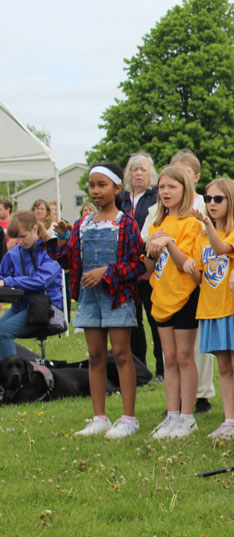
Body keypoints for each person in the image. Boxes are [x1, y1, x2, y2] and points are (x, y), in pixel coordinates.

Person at [46, 164, 144, 439]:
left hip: (118, 298)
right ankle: (99, 417)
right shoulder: (81, 225)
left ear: (117, 188)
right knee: (95, 356)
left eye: (102, 185)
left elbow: (137, 264)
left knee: (122, 355)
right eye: (91, 185)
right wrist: (62, 238)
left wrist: (107, 272)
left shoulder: (126, 223)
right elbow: (68, 261)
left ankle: (129, 418)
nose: (95, 190)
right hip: (89, 299)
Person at [184, 178, 234, 439]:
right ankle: (229, 419)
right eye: (208, 198)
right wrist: (190, 268)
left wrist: (207, 224)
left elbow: (221, 248)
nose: (211, 204)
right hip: (210, 309)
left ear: (231, 201)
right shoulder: (201, 237)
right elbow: (200, 278)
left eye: (218, 199)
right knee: (223, 366)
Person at [145, 166, 203, 439]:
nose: (166, 192)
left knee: (183, 356)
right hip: (161, 296)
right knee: (168, 357)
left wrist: (169, 244)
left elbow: (185, 265)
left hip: (185, 296)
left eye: (172, 187)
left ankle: (188, 417)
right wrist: (151, 250)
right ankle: (172, 415)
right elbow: (149, 266)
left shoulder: (191, 223)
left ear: (185, 189)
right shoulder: (156, 224)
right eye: (162, 187)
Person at [169, 149, 217, 413]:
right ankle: (177, 394)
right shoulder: (162, 207)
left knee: (199, 341)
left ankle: (202, 393)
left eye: (185, 173)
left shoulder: (205, 203)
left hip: (198, 275)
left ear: (196, 176)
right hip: (171, 281)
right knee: (174, 345)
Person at [120, 152, 161, 381]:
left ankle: (162, 369)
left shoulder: (156, 197)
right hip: (127, 270)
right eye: (134, 169)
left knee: (155, 319)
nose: (138, 174)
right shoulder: (121, 199)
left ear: (150, 173)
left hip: (148, 267)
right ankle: (139, 369)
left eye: (142, 170)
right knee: (133, 322)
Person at [0, 212, 64, 358]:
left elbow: (41, 281)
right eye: (16, 238)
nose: (20, 242)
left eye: (23, 236)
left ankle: (12, 371)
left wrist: (8, 282)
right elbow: (2, 276)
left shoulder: (50, 251)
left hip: (46, 308)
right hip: (20, 307)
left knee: (3, 332)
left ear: (35, 229)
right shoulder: (13, 254)